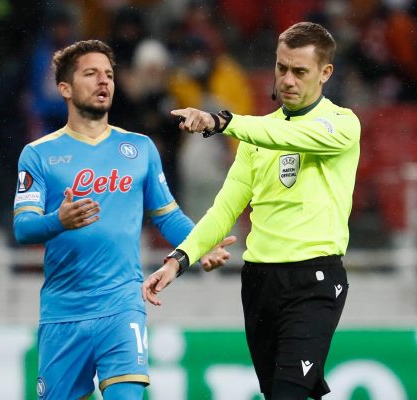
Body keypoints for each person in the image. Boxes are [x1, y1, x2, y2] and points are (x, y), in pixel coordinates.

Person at [143, 22, 361, 400]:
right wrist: (178, 260)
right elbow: (224, 209)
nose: (288, 79)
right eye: (281, 68)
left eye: (300, 71)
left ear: (326, 73)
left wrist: (222, 121)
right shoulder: (255, 137)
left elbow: (290, 135)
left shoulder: (342, 124)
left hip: (315, 280)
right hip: (259, 283)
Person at [12, 39, 234, 400]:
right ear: (65, 88)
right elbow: (23, 227)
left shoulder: (139, 148)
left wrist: (199, 245)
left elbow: (168, 216)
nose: (104, 81)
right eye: (91, 74)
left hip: (121, 304)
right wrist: (59, 220)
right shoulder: (39, 154)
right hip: (63, 312)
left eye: (109, 75)